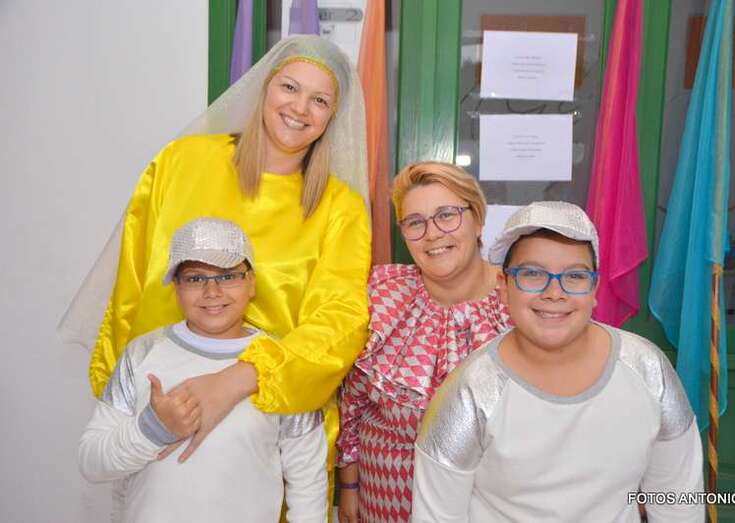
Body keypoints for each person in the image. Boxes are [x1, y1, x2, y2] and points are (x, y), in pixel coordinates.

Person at [59, 35, 370, 510]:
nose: (300, 108)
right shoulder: (180, 164)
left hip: (269, 419)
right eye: (289, 87)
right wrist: (133, 409)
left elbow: (339, 324)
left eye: (320, 100)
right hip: (164, 406)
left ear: (333, 116)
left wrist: (234, 382)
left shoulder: (339, 209)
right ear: (264, 87)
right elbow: (132, 284)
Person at [411, 201, 705, 522]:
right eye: (533, 274)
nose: (554, 292)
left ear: (594, 289)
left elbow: (679, 501)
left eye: (575, 276)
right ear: (503, 288)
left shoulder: (647, 369)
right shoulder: (469, 391)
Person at [79, 218, 327, 523]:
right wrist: (153, 428)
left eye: (228, 276)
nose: (212, 291)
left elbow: (308, 481)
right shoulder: (142, 353)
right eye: (195, 278)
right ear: (176, 288)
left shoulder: (282, 361)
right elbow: (92, 462)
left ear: (251, 283)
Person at [336, 162, 511, 523]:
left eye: (446, 215)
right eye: (415, 222)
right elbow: (353, 398)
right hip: (387, 495)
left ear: (478, 220)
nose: (432, 233)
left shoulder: (518, 299)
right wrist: (349, 485)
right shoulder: (383, 294)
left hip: (490, 499)